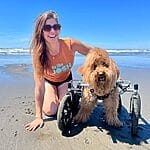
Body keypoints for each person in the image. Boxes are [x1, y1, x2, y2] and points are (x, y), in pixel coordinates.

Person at [25, 10, 93, 131]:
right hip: (49, 81)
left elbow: (93, 53)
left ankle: (69, 94)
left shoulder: (71, 44)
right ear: (41, 31)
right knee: (50, 111)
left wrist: (106, 65)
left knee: (66, 105)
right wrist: (38, 116)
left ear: (59, 29)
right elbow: (39, 87)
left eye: (56, 27)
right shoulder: (39, 54)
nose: (52, 31)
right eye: (47, 27)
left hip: (65, 79)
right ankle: (52, 93)